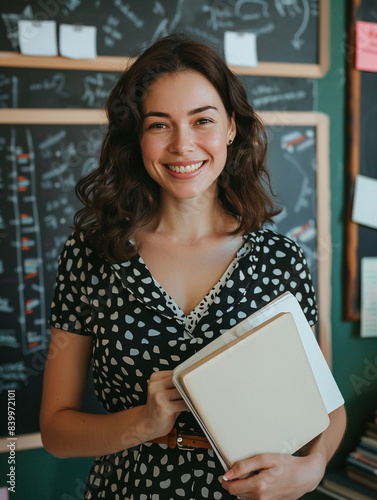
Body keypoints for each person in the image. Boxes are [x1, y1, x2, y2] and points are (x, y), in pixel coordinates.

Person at [40, 33, 346, 500]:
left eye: (202, 120)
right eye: (159, 125)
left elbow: (326, 405)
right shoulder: (91, 255)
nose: (183, 145)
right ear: (137, 137)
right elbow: (56, 433)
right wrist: (142, 423)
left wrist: (315, 466)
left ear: (230, 128)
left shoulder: (279, 259)